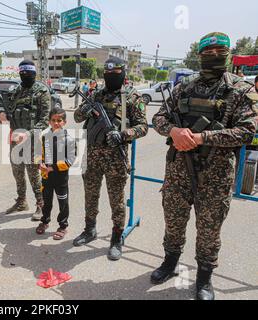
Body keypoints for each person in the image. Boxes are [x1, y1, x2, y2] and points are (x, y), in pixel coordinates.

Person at [151, 32, 257, 300]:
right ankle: (170, 262)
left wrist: (201, 137)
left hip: (216, 176)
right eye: (208, 53)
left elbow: (248, 131)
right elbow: (159, 117)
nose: (214, 56)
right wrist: (174, 131)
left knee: (209, 231)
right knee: (173, 223)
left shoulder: (241, 89)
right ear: (200, 56)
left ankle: (204, 279)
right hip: (177, 172)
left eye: (220, 51)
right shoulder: (183, 87)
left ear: (228, 53)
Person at [72, 57, 148, 262]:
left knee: (117, 200)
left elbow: (143, 127)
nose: (111, 77)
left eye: (115, 74)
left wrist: (123, 135)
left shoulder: (132, 97)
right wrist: (84, 110)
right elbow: (77, 117)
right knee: (90, 195)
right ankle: (90, 230)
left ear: (122, 74)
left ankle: (116, 239)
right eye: (107, 74)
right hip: (93, 155)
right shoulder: (95, 94)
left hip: (116, 157)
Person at [0, 60, 51, 221]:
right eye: (22, 73)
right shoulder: (16, 90)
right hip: (16, 138)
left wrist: (28, 134)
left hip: (33, 139)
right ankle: (21, 201)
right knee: (17, 172)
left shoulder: (42, 91)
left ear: (34, 74)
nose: (25, 76)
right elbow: (11, 111)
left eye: (28, 73)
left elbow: (44, 120)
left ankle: (41, 204)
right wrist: (4, 116)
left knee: (34, 173)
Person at [35, 108, 76, 240]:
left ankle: (63, 226)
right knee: (46, 201)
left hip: (61, 179)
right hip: (46, 177)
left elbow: (70, 160)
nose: (56, 123)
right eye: (53, 120)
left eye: (59, 120)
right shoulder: (44, 137)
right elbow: (38, 154)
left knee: (62, 202)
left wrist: (53, 168)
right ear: (49, 122)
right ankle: (45, 221)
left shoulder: (69, 139)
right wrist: (39, 163)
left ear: (65, 122)